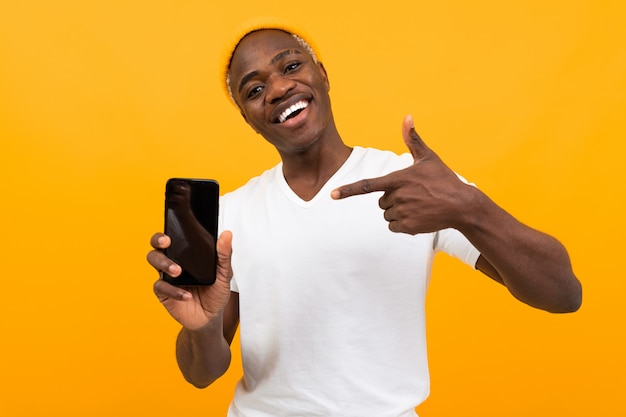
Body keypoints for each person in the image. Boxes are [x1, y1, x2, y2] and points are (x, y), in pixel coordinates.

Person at [147, 19, 582, 417]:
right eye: (254, 90)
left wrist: (471, 208)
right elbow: (200, 374)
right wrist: (202, 328)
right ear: (249, 120)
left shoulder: (415, 185)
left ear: (323, 75)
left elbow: (562, 294)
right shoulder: (232, 214)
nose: (278, 89)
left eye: (291, 66)